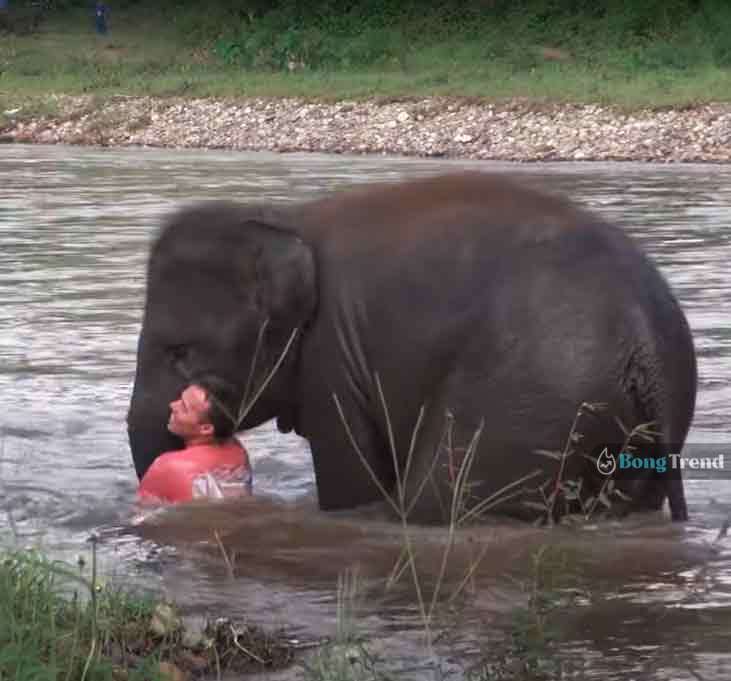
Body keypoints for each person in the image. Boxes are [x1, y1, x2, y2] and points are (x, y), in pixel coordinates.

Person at [137, 377, 252, 504]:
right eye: (180, 398)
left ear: (206, 428)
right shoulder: (239, 452)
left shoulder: (167, 465)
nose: (173, 405)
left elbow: (140, 513)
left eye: (184, 407)